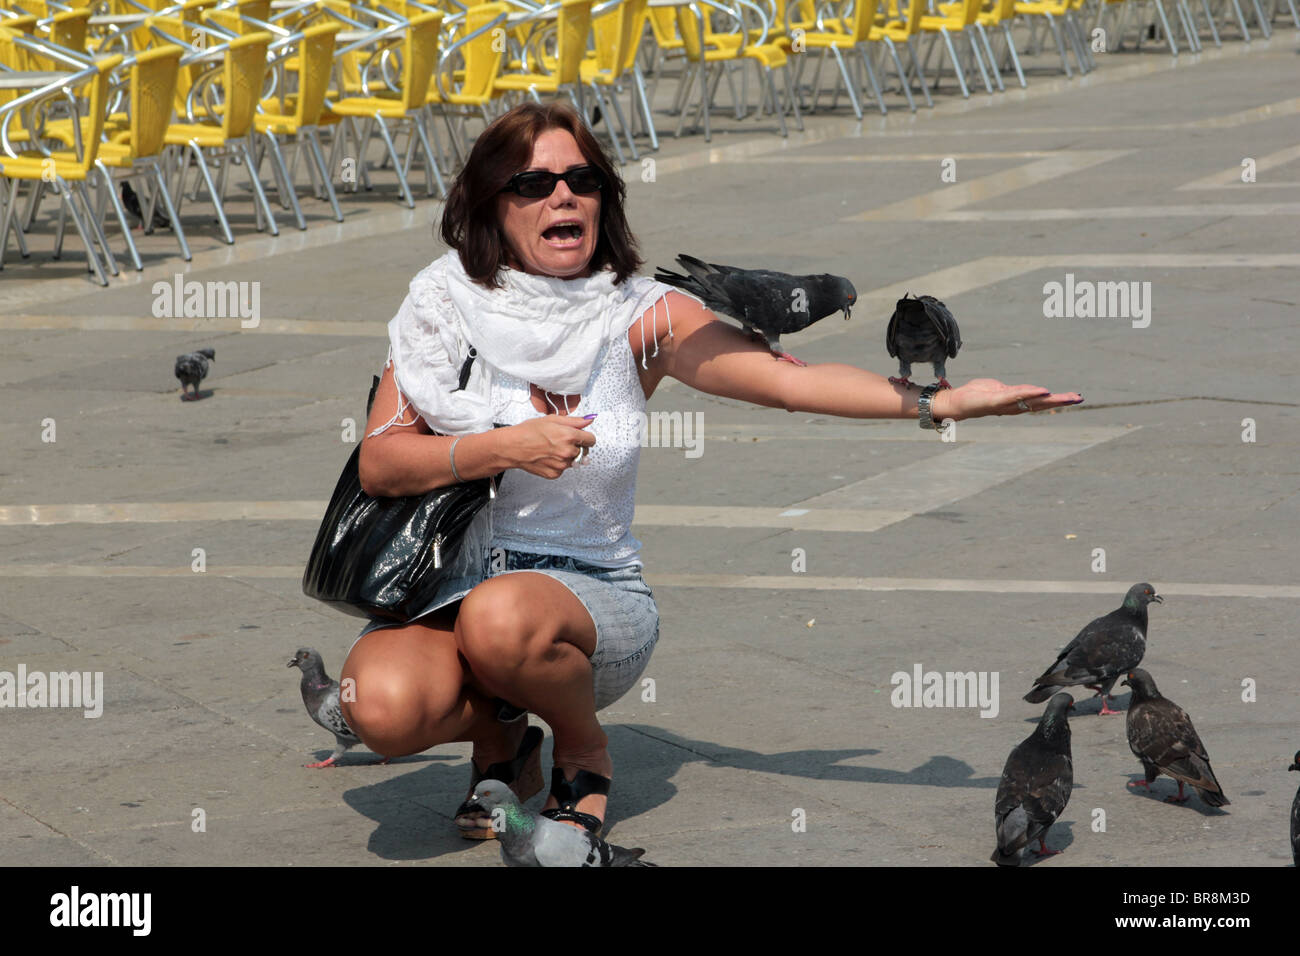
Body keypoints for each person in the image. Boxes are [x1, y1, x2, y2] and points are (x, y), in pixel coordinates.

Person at [339, 101, 1082, 841]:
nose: (563, 196)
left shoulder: (637, 314)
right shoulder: (439, 310)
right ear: (490, 207)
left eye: (583, 180)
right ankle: (504, 739)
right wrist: (504, 446)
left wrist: (939, 400)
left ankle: (582, 748)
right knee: (380, 708)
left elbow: (789, 381)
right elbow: (381, 460)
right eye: (532, 184)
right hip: (443, 590)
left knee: (499, 617)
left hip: (588, 600)